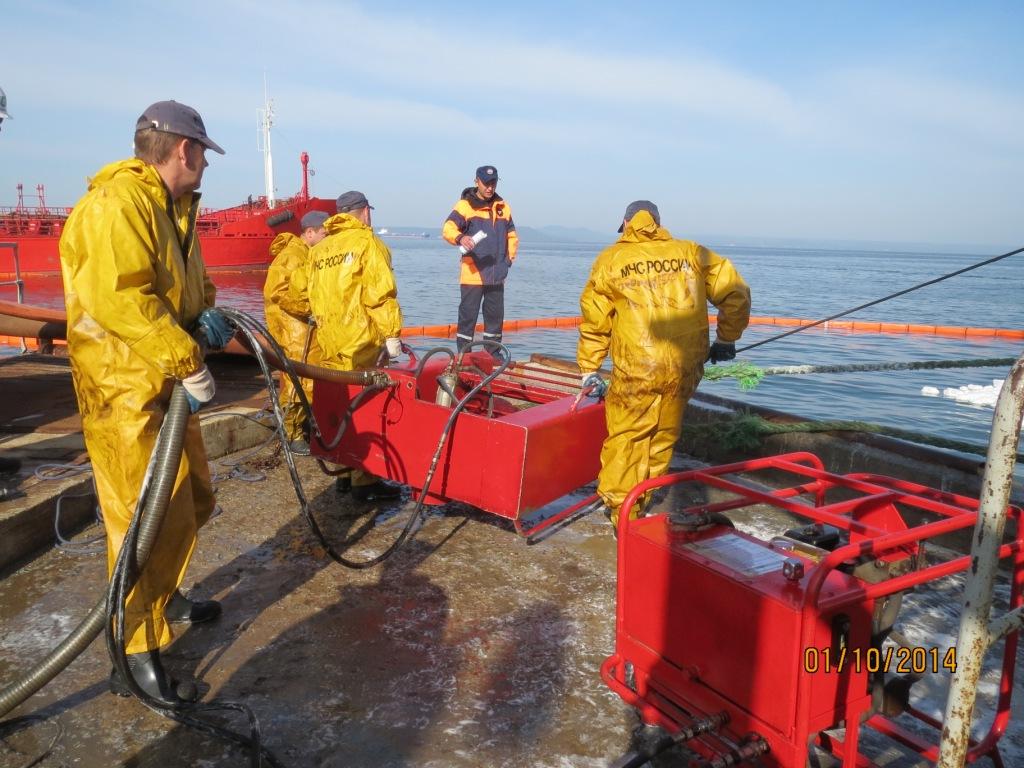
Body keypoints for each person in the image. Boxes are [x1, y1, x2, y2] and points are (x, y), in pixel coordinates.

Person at [58, 100, 235, 705]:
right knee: (139, 521)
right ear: (183, 150)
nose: (207, 168)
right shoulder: (117, 205)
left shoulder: (175, 208)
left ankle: (166, 594)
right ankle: (134, 652)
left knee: (192, 499)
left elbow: (191, 283)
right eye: (204, 156)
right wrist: (185, 358)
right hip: (123, 387)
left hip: (164, 382)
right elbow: (119, 298)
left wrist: (206, 315)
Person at [577, 200, 751, 528]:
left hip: (637, 367)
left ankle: (621, 512)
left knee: (627, 436)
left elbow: (594, 320)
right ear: (658, 223)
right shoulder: (691, 252)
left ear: (626, 223)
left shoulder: (612, 259)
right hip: (685, 365)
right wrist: (726, 339)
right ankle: (643, 497)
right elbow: (736, 293)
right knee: (664, 432)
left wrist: (589, 367)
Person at [288, 190, 404, 501]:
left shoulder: (319, 250)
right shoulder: (368, 243)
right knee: (365, 408)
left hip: (329, 342)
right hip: (362, 344)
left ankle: (342, 472)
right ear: (365, 212)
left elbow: (299, 294)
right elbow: (380, 293)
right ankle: (363, 482)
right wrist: (392, 336)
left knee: (337, 407)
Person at [263, 210, 329, 454]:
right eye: (324, 233)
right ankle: (292, 434)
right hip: (293, 328)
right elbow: (277, 292)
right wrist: (308, 310)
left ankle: (304, 429)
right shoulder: (292, 256)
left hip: (303, 326)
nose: (327, 238)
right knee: (295, 379)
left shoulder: (308, 254)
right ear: (309, 233)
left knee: (308, 377)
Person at [441, 165, 518, 353]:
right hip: (472, 274)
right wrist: (461, 238)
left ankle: (492, 355)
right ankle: (464, 356)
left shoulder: (503, 207)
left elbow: (512, 236)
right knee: (468, 317)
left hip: (497, 274)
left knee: (495, 318)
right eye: (486, 183)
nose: (490, 187)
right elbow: (448, 228)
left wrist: (507, 261)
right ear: (477, 181)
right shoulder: (464, 205)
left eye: (493, 183)